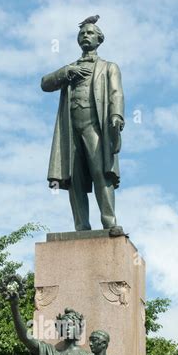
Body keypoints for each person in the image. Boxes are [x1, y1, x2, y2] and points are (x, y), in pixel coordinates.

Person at [41, 17, 125, 235]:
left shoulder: (109, 67)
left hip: (95, 126)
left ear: (99, 39)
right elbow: (45, 83)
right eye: (82, 33)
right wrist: (67, 72)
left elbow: (116, 94)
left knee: (101, 173)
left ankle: (109, 222)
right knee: (74, 177)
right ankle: (81, 226)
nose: (85, 36)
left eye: (90, 33)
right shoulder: (71, 68)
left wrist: (116, 116)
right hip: (71, 130)